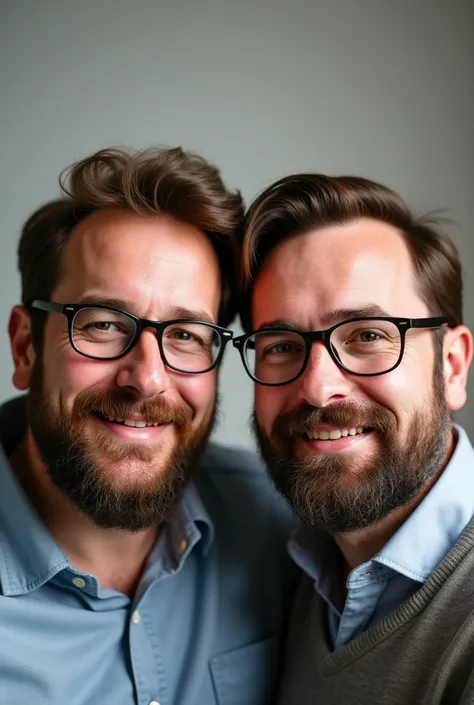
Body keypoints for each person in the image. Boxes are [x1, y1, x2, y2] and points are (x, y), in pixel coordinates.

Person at [0, 147, 296, 705]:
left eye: (186, 335)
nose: (147, 380)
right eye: (105, 324)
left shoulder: (275, 525)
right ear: (25, 347)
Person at [234, 172, 474, 704]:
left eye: (367, 336)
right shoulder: (300, 566)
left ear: (451, 366)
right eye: (280, 345)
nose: (317, 389)